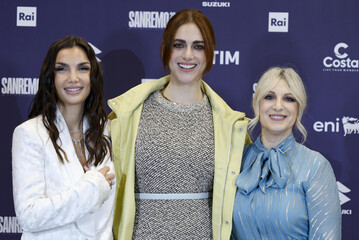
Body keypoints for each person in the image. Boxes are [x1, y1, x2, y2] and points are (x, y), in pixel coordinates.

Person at [108, 9, 250, 240]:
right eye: (179, 45)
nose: (187, 55)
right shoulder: (129, 114)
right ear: (166, 49)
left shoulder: (230, 124)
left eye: (198, 46)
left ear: (209, 53)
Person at [12, 36, 115, 239]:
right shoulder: (29, 134)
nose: (73, 78)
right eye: (62, 69)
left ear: (93, 75)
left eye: (83, 68)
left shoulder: (109, 131)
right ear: (51, 77)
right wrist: (92, 188)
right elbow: (29, 215)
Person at [232, 67, 341, 239]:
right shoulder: (235, 160)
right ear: (257, 104)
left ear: (299, 107)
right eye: (269, 97)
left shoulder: (316, 166)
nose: (278, 106)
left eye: (288, 99)